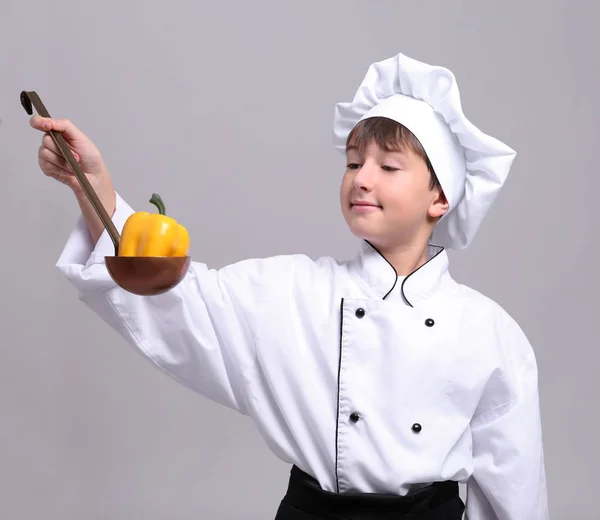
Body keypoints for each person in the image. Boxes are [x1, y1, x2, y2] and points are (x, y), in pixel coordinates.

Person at [30, 52, 548, 519]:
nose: (361, 178)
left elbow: (514, 487)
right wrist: (94, 188)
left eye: (388, 166)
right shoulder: (289, 292)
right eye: (352, 162)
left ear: (441, 199)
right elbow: (173, 295)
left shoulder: (488, 331)